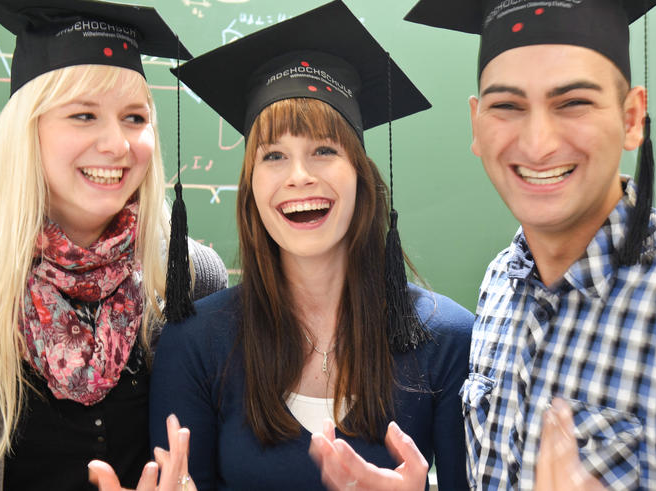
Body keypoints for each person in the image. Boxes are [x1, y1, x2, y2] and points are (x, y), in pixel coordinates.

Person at [313, 0, 656, 489]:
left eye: (573, 102)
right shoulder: (501, 283)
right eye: (507, 106)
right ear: (476, 125)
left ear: (631, 118)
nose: (538, 142)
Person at [148, 1, 473, 490]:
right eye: (274, 155)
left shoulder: (445, 339)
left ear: (361, 176)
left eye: (324, 150)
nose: (299, 177)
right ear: (251, 186)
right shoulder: (195, 346)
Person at [0, 1, 227, 489]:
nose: (117, 144)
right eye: (84, 115)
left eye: (133, 117)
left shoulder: (191, 277)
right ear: (28, 129)